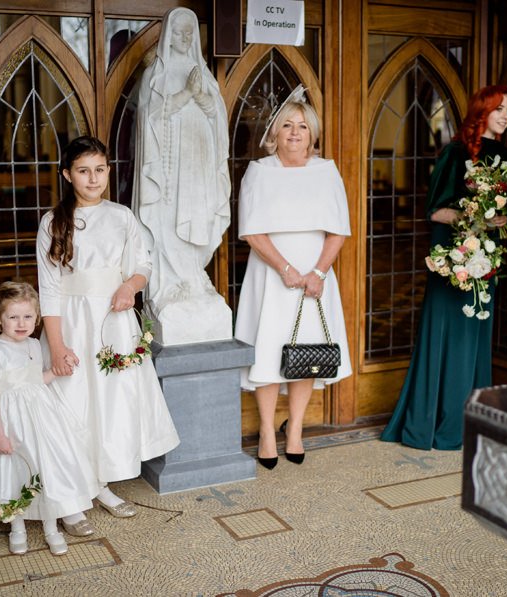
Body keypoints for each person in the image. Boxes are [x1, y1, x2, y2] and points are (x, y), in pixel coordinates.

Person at [39, 136, 179, 520]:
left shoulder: (122, 216)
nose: (93, 178)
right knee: (74, 401)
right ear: (68, 174)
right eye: (83, 171)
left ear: (108, 171)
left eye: (99, 170)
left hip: (112, 323)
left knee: (110, 402)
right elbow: (49, 289)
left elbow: (142, 266)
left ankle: (101, 480)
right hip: (72, 321)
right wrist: (56, 345)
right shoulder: (53, 222)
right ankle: (73, 489)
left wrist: (129, 286)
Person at [381, 85, 507, 451]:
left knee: (474, 340)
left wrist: (503, 217)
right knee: (448, 337)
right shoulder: (455, 153)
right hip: (455, 263)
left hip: (486, 261)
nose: (505, 115)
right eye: (498, 108)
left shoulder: (505, 155)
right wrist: (480, 217)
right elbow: (436, 211)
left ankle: (468, 420)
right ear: (481, 111)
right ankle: (434, 424)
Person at [235, 87, 351, 469]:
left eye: (303, 126)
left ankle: (296, 429)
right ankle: (268, 431)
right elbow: (251, 231)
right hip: (271, 275)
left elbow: (338, 230)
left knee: (308, 354)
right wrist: (284, 268)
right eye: (287, 125)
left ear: (312, 134)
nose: (295, 132)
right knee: (269, 352)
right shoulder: (259, 171)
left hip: (316, 277)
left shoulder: (326, 171)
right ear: (274, 133)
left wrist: (317, 272)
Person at [0, 283, 101, 556]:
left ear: (37, 317)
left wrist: (55, 372)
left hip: (41, 419)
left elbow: (34, 381)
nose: (21, 323)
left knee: (45, 469)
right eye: (13, 317)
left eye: (28, 316)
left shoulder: (33, 345)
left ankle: (51, 529)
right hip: (8, 421)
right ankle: (17, 528)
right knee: (14, 472)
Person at [132, 6, 232, 343]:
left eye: (190, 32)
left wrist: (202, 96)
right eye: (179, 31)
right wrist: (186, 94)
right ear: (167, 34)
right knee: (168, 218)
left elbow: (218, 119)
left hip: (199, 162)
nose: (185, 37)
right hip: (169, 166)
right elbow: (149, 120)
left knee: (198, 218)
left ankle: (195, 277)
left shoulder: (203, 73)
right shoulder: (155, 76)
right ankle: (172, 282)